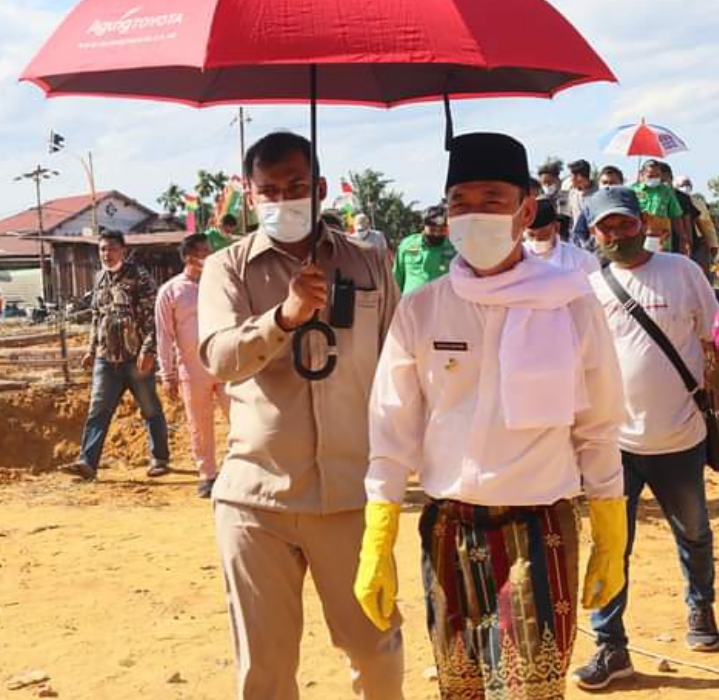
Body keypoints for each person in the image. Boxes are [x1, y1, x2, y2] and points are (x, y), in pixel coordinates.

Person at [354, 133, 627, 700]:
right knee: (461, 689)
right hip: (448, 526)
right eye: (460, 201)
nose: (473, 213)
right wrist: (377, 537)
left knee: (530, 690)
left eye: (492, 199)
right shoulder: (423, 307)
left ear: (526, 209)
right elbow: (391, 428)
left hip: (539, 528)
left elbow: (598, 425)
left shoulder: (572, 301)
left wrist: (609, 522)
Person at [197, 131, 403, 700]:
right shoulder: (227, 269)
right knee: (264, 669)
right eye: (268, 190)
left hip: (351, 496)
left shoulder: (370, 262)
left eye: (294, 187)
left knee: (375, 649)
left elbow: (399, 364)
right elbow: (218, 357)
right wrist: (283, 318)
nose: (281, 200)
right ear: (249, 193)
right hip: (255, 497)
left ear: (317, 187)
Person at [573, 187, 719, 691]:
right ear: (591, 234)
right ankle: (610, 646)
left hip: (679, 437)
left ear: (642, 223)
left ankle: (700, 609)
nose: (615, 235)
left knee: (695, 532)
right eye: (604, 228)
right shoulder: (591, 289)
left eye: (624, 224)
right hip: (614, 445)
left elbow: (709, 340)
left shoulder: (682, 272)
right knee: (612, 547)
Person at [66, 231, 170, 482]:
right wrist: (91, 351)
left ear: (123, 250)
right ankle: (87, 463)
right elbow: (96, 316)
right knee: (98, 411)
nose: (106, 253)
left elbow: (154, 318)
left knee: (150, 408)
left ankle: (160, 458)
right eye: (102, 249)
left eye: (112, 248)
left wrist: (148, 350)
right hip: (106, 358)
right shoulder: (100, 278)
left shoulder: (140, 277)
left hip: (136, 358)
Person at [155, 234, 230, 499]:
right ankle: (207, 475)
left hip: (224, 364)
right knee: (199, 424)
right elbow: (164, 335)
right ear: (189, 257)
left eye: (210, 251)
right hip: (191, 368)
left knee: (240, 419)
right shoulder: (171, 291)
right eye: (204, 252)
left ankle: (238, 472)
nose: (209, 257)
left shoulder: (221, 285)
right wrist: (167, 374)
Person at [525, 197, 600, 275]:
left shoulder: (581, 260)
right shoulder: (517, 260)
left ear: (556, 228)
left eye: (543, 236)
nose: (536, 241)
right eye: (531, 235)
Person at [393, 203, 455, 294]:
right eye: (432, 230)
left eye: (442, 230)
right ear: (424, 226)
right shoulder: (408, 244)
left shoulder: (455, 248)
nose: (436, 234)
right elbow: (397, 278)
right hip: (411, 305)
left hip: (444, 304)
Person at [632, 160, 684, 254]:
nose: (654, 179)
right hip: (639, 240)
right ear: (642, 174)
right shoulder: (633, 191)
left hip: (662, 241)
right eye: (650, 176)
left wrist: (682, 239)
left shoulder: (667, 191)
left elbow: (676, 216)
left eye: (657, 175)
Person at [676, 176, 719, 279]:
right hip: (676, 243)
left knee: (701, 275)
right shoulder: (671, 200)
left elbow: (707, 225)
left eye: (688, 185)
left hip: (698, 243)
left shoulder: (697, 202)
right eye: (683, 185)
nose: (686, 187)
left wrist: (713, 245)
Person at [573, 165, 625, 250]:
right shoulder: (590, 206)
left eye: (612, 183)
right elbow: (579, 234)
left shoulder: (628, 207)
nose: (608, 186)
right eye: (604, 183)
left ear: (621, 184)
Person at [567, 158, 598, 228]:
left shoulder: (599, 192)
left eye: (571, 175)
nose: (570, 179)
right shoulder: (572, 193)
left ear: (579, 176)